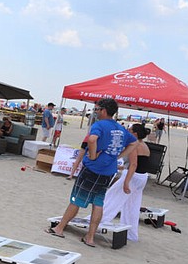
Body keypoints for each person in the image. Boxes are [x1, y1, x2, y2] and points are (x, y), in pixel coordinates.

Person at [46, 98, 137, 247]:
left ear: (103, 110)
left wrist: (93, 155)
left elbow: (92, 139)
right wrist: (118, 156)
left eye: (97, 109)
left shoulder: (99, 125)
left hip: (93, 169)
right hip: (108, 172)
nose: (95, 112)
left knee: (77, 199)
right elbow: (133, 143)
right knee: (98, 203)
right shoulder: (120, 129)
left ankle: (59, 228)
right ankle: (90, 238)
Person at [99, 124, 151, 243]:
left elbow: (134, 164)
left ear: (135, 133)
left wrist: (126, 182)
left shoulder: (134, 144)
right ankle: (131, 233)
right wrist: (122, 167)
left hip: (133, 176)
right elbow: (140, 163)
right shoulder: (145, 145)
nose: (128, 131)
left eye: (130, 130)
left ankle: (98, 221)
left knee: (111, 198)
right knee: (132, 206)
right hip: (142, 177)